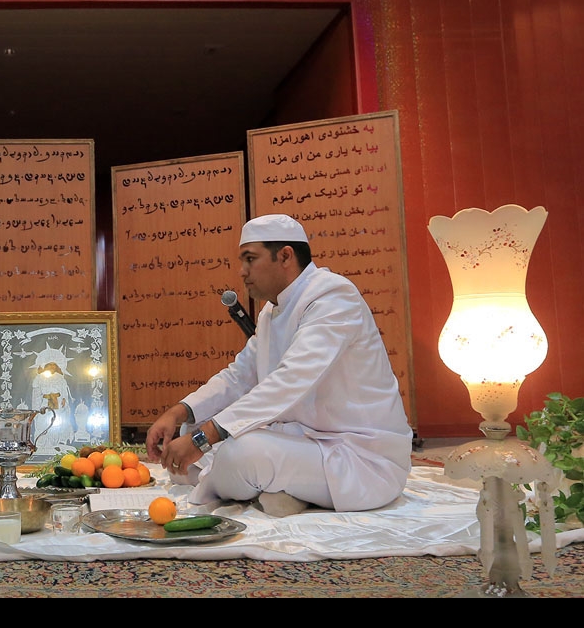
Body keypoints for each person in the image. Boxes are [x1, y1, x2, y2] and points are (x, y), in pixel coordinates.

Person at [144, 214, 412, 517]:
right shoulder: (272, 310)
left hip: (358, 456)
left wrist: (205, 438)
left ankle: (281, 488)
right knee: (182, 460)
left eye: (250, 259)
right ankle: (286, 491)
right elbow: (239, 376)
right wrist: (177, 412)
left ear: (285, 255)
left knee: (238, 454)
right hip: (302, 441)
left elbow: (290, 380)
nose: (242, 272)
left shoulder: (333, 296)